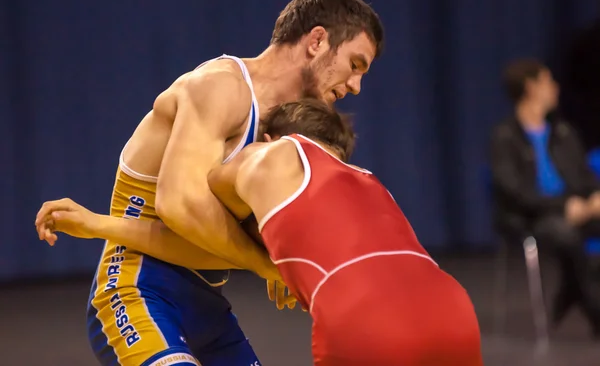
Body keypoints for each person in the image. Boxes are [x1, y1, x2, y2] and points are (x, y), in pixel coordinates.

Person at [40, 0, 383, 366]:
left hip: (207, 304)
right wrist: (265, 264)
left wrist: (278, 251)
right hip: (136, 292)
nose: (356, 87)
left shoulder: (291, 123)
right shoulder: (221, 87)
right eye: (355, 64)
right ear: (317, 40)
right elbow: (181, 208)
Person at [37, 99, 483, 366]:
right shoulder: (365, 180)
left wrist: (95, 224)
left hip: (350, 315)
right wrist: (272, 266)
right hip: (453, 306)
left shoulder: (262, 163)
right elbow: (184, 219)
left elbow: (191, 223)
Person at [491, 58, 600, 335]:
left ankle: (570, 292)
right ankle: (594, 310)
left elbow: (585, 177)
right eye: (548, 82)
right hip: (532, 217)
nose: (556, 88)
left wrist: (594, 199)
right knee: (566, 234)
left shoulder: (564, 133)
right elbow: (514, 191)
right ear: (531, 87)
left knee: (576, 229)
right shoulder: (505, 137)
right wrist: (565, 205)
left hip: (577, 210)